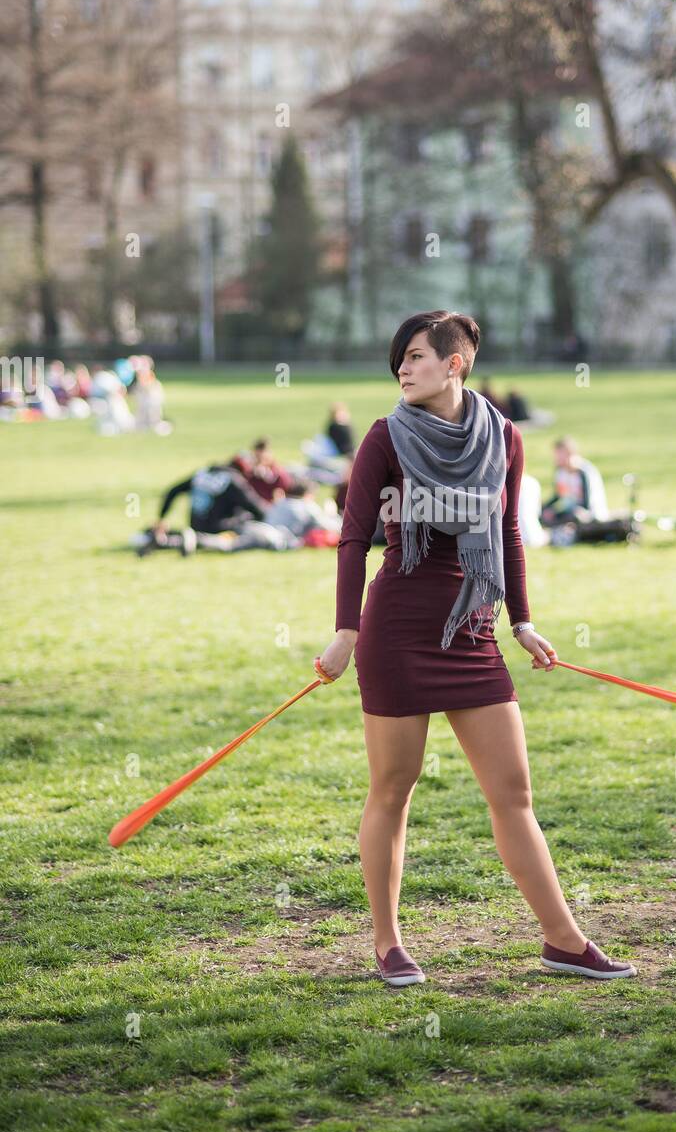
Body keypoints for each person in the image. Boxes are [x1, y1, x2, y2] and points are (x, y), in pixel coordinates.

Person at [315, 309, 636, 986]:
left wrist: (521, 621)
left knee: (513, 793)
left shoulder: (504, 437)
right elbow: (352, 537)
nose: (402, 368)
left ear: (453, 363)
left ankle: (562, 940)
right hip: (397, 630)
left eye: (415, 357)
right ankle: (386, 943)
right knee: (392, 791)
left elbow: (508, 533)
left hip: (472, 631)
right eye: (399, 359)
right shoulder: (384, 439)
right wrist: (346, 629)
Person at [140, 463, 291, 554]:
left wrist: (161, 518)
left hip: (195, 524)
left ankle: (165, 539)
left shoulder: (202, 474)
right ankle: (183, 540)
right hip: (220, 528)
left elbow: (172, 491)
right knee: (239, 530)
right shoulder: (233, 481)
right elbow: (256, 508)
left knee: (196, 536)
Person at [541, 436, 610, 527]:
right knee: (543, 514)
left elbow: (587, 503)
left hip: (589, 513)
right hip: (570, 510)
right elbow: (558, 495)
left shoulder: (584, 472)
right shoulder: (560, 472)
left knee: (576, 516)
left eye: (560, 455)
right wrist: (546, 508)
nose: (557, 459)